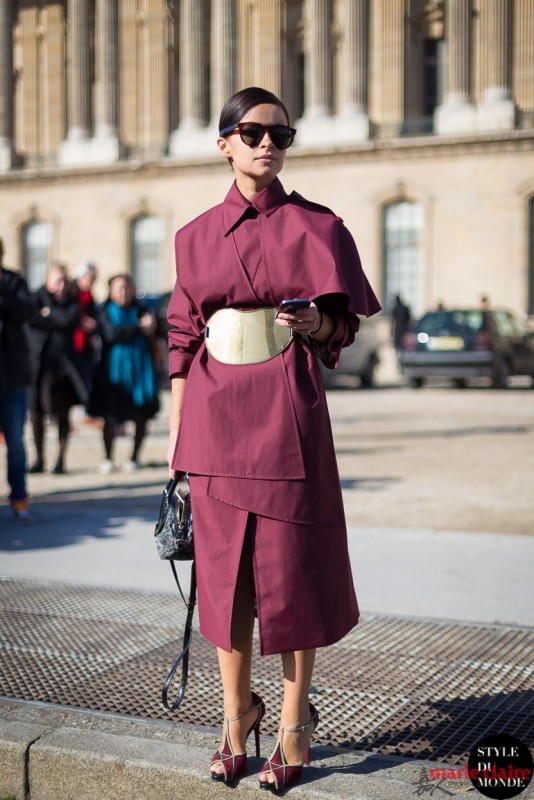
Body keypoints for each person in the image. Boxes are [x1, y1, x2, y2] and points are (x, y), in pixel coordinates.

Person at [166, 87, 381, 792]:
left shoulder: (319, 228)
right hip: (213, 422)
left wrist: (318, 326)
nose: (269, 144)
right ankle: (236, 716)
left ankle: (293, 723)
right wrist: (176, 452)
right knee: (225, 584)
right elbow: (180, 344)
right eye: (253, 132)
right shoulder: (193, 237)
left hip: (289, 415)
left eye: (281, 134)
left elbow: (342, 327)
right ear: (223, 142)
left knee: (291, 578)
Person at [88, 273, 159, 473]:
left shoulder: (142, 309)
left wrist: (150, 327)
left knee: (140, 416)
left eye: (127, 288)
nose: (124, 292)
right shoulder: (104, 310)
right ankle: (108, 458)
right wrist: (138, 327)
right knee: (110, 418)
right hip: (113, 373)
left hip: (140, 370)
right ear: (111, 291)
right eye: (119, 288)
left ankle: (135, 457)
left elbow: (156, 329)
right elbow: (111, 334)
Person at [28, 263, 87, 475]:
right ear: (47, 281)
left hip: (64, 369)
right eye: (56, 280)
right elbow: (32, 319)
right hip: (39, 367)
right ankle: (39, 458)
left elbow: (69, 320)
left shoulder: (72, 302)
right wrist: (53, 316)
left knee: (63, 413)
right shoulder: (36, 298)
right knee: (36, 413)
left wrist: (50, 313)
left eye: (63, 281)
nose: (60, 285)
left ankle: (60, 459)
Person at [0, 238, 36, 522]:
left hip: (12, 376)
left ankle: (19, 499)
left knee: (15, 443)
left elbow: (28, 312)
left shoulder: (13, 282)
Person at [72, 260, 100, 413]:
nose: (91, 282)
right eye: (89, 278)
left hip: (86, 344)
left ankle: (88, 412)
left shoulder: (89, 294)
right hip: (75, 344)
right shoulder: (73, 293)